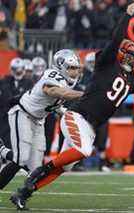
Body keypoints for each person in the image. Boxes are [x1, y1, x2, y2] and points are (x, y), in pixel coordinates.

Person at [10, 2, 134, 210]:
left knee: (66, 165)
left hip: (90, 127)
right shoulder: (107, 63)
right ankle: (39, 171)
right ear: (118, 54)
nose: (130, 59)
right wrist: (127, 15)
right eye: (127, 54)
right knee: (82, 150)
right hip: (77, 117)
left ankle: (23, 193)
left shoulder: (133, 81)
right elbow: (117, 38)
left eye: (133, 56)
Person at [0, 49, 83, 205]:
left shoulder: (67, 83)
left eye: (76, 68)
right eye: (72, 68)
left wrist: (66, 114)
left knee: (35, 169)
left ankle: (19, 197)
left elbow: (54, 103)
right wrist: (81, 94)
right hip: (22, 113)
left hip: (39, 120)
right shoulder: (53, 75)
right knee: (21, 157)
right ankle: (2, 150)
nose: (75, 71)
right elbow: (52, 90)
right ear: (61, 66)